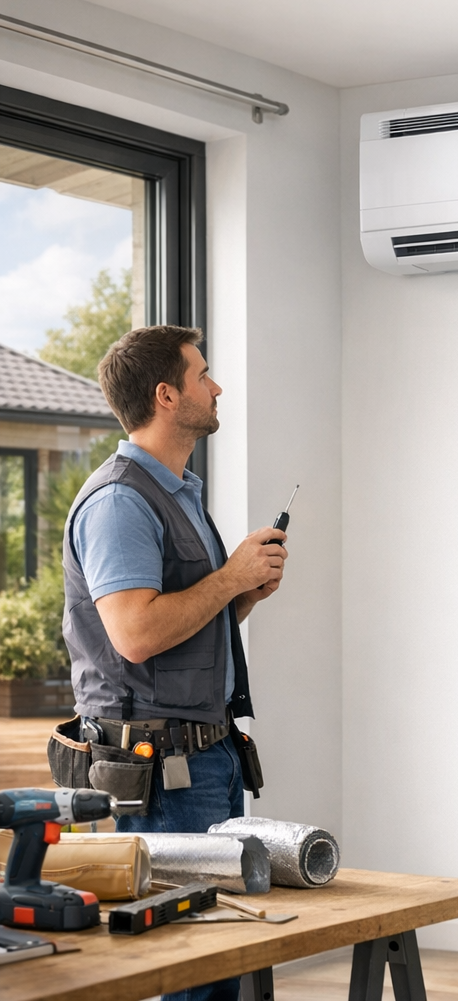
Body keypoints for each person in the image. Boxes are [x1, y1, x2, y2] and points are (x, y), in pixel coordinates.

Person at [62, 325, 287, 1001]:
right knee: (188, 973)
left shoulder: (178, 492)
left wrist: (239, 596)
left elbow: (174, 637)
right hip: (162, 776)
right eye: (203, 375)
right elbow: (132, 635)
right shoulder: (120, 502)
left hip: (208, 759)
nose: (217, 387)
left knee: (219, 967)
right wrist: (227, 580)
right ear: (166, 395)